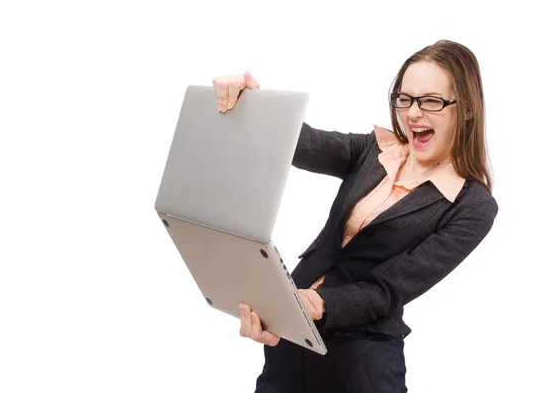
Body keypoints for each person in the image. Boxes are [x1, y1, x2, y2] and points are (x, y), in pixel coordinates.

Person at [212, 40, 498, 393]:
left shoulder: (471, 205)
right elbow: (301, 142)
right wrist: (248, 102)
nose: (412, 113)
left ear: (467, 109)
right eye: (404, 98)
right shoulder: (373, 151)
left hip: (361, 362)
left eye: (431, 101)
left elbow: (389, 289)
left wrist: (313, 304)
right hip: (291, 341)